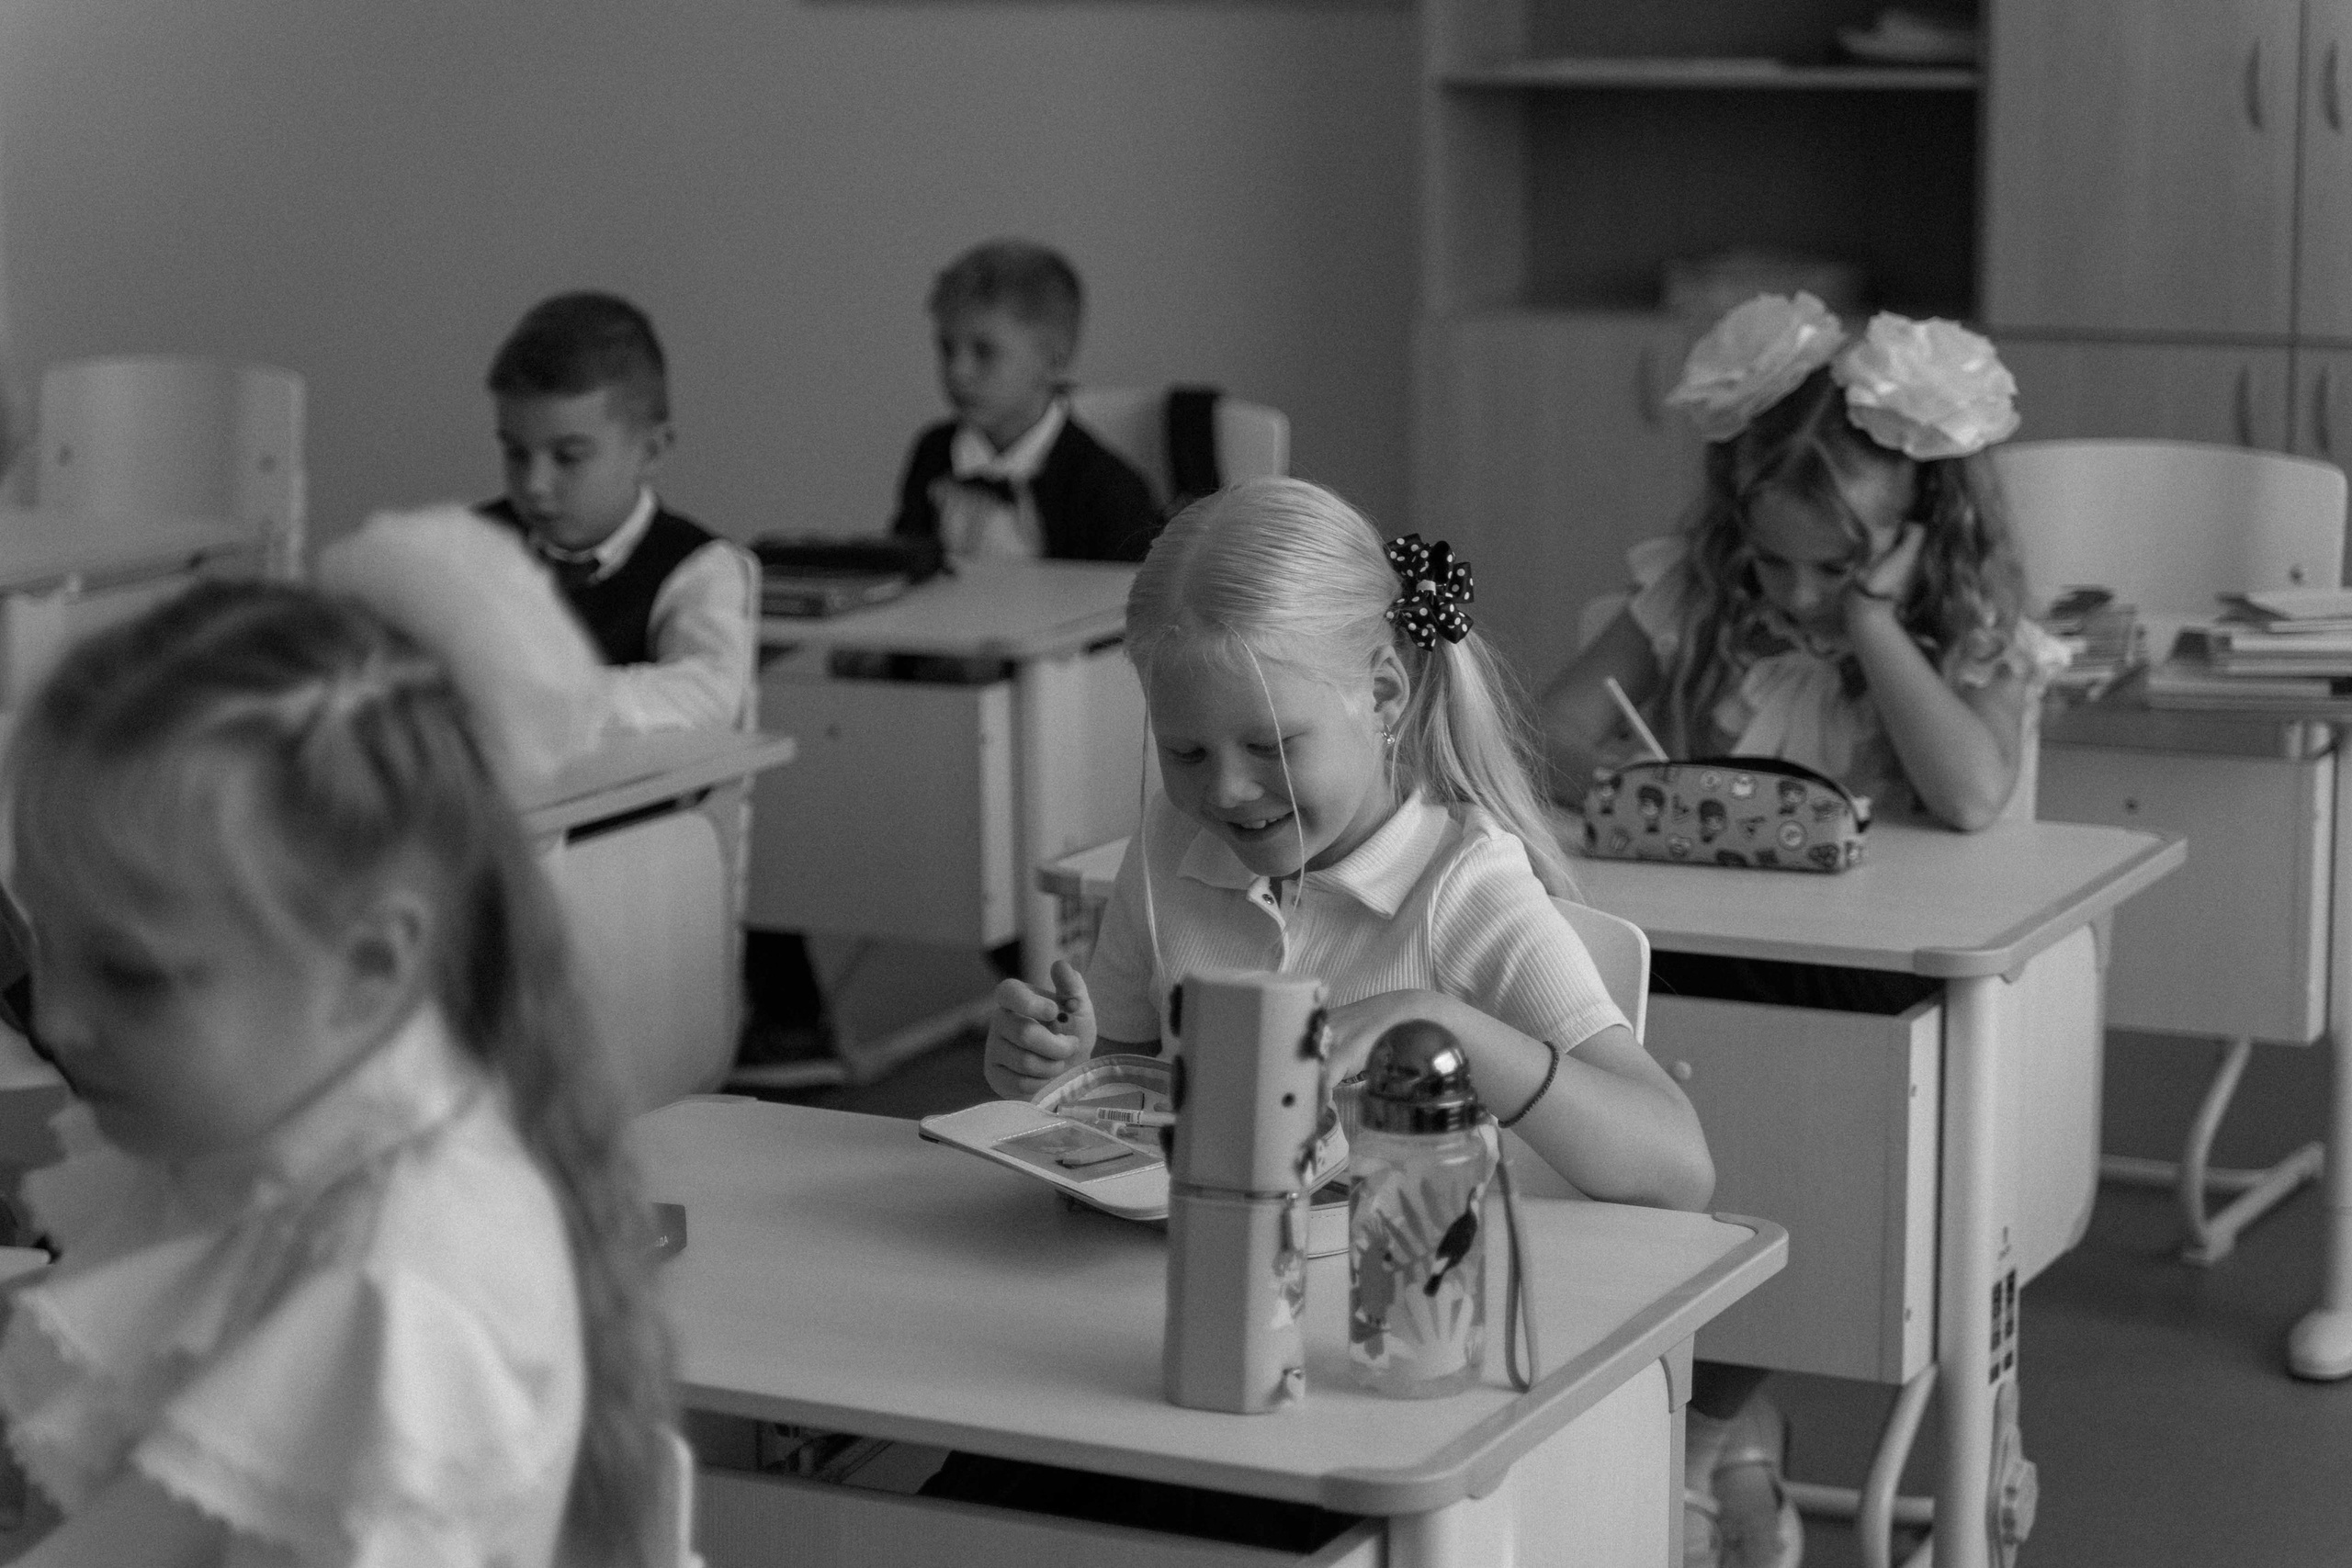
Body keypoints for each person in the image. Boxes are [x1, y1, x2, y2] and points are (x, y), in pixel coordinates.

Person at [0, 581, 675, 1567]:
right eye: (38, 940)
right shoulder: (269, 1132)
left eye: (131, 974)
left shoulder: (397, 1288)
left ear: (368, 965)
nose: (52, 1017)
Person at [1538, 294, 2060, 1568]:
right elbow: (1551, 729)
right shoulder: (1707, 597)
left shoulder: (1966, 630)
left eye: (1840, 566)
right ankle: (1717, 1416)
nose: (1799, 594)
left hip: (1879, 997)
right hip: (1708, 972)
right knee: (1682, 1141)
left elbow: (1977, 792)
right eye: (1774, 562)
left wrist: (1876, 625)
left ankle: (1710, 1427)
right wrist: (1626, 780)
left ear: (1922, 532)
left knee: (1811, 1168)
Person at [986, 476, 1713, 1207]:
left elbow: (1680, 1166)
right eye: (1186, 754)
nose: (1226, 791)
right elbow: (1128, 1081)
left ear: (1383, 695)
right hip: (1201, 1278)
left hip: (1389, 1307)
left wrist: (1440, 1020)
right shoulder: (1167, 845)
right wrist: (1062, 1069)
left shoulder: (1463, 890)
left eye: (1270, 746)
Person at [480, 289, 757, 733]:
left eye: (568, 457)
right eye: (516, 454)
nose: (533, 484)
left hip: (655, 803)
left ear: (649, 451)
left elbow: (708, 695)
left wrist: (550, 699)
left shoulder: (700, 568)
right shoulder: (475, 543)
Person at [890, 239, 1160, 563]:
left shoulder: (1109, 489)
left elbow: (1123, 606)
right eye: (947, 348)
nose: (957, 371)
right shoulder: (932, 452)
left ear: (1054, 360)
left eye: (984, 352)